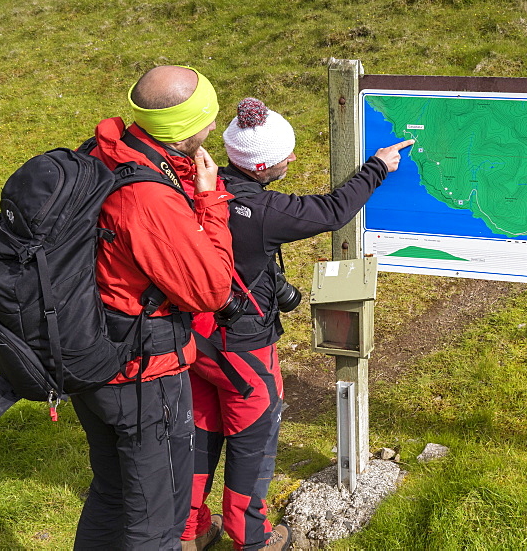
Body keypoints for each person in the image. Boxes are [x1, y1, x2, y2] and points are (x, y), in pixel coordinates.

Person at [181, 97, 412, 551]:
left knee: (200, 431)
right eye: (286, 155)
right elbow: (331, 211)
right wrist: (378, 167)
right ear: (263, 165)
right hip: (243, 345)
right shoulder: (262, 213)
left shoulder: (195, 184)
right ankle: (253, 538)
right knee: (253, 437)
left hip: (193, 336)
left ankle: (187, 532)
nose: (293, 158)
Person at [72, 65, 236, 550]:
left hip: (92, 353)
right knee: (158, 522)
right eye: (207, 120)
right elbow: (211, 289)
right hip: (144, 377)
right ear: (186, 129)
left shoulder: (108, 152)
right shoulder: (148, 199)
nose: (213, 130)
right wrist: (209, 201)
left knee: (114, 493)